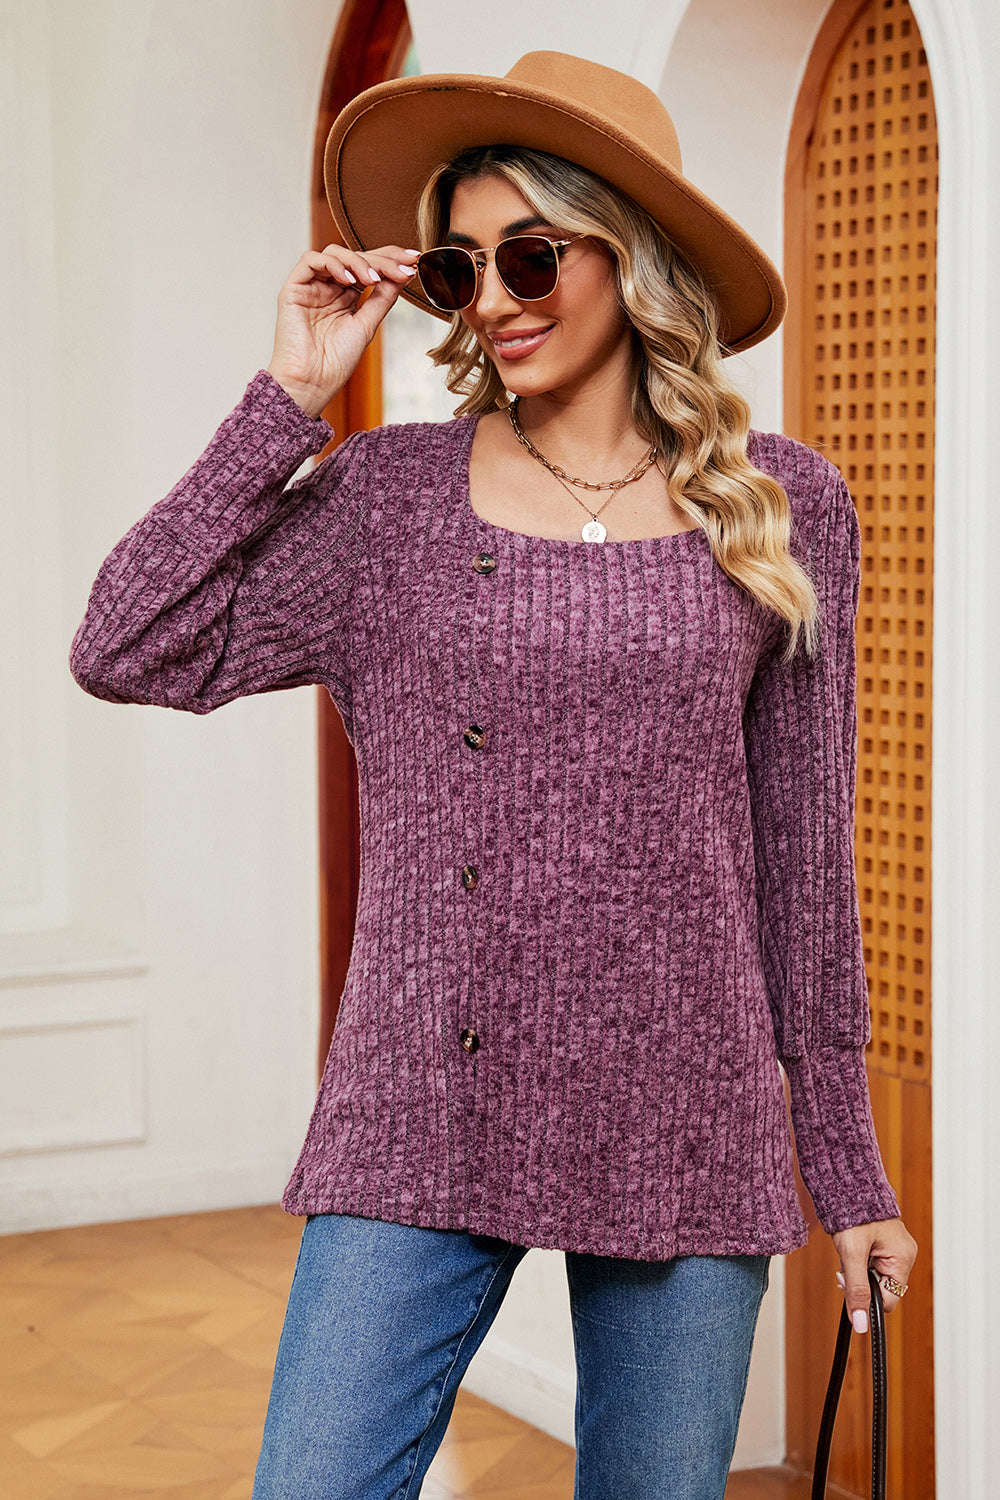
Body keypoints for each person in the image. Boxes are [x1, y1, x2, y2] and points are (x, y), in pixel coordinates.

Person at [70, 50, 917, 1500]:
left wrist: (848, 1172)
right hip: (419, 1098)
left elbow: (802, 862)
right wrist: (289, 395)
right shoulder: (387, 499)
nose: (499, 300)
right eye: (463, 270)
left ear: (633, 258)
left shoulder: (784, 508)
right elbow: (124, 643)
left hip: (685, 1110)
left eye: (532, 254)